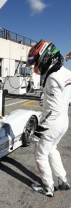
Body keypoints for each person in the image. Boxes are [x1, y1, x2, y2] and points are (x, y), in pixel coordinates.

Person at [26, 40, 71, 197]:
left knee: (40, 154)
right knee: (52, 149)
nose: (35, 65)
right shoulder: (67, 72)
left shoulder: (52, 77)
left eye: (36, 60)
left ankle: (48, 187)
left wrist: (38, 132)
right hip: (64, 121)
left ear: (45, 56)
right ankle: (63, 180)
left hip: (53, 123)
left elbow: (52, 110)